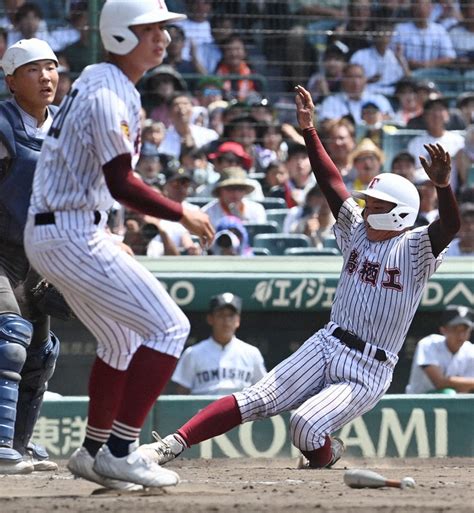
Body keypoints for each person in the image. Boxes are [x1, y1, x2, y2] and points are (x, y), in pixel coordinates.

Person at [137, 84, 460, 472]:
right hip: (328, 341)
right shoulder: (358, 230)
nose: (365, 208)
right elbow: (332, 184)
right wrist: (308, 131)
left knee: (305, 426)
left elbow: (450, 226)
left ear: (398, 213)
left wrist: (442, 187)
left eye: (375, 205)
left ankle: (324, 455)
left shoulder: (416, 249)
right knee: (256, 398)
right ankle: (171, 445)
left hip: (370, 367)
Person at [23, 0, 215, 490]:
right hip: (68, 230)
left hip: (64, 227)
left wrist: (104, 228)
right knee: (171, 327)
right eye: (151, 29)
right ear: (123, 34)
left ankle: (92, 452)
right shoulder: (109, 92)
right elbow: (122, 181)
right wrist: (182, 213)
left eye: (164, 30)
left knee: (121, 339)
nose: (163, 38)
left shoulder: (100, 79)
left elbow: (92, 175)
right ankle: (123, 449)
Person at [0, 38, 59, 474]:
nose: (45, 77)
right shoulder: (1, 124)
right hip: (1, 252)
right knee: (10, 343)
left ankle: (20, 442)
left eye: (51, 68)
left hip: (42, 256)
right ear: (11, 80)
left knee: (42, 353)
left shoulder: (64, 129)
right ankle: (1, 444)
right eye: (33, 69)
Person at [171, 293, 266, 394]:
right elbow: (181, 395)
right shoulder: (193, 353)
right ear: (210, 319)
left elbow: (262, 390)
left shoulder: (252, 353)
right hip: (203, 408)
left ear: (238, 320)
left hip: (240, 409)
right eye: (221, 315)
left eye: (231, 315)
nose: (226, 321)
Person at [405, 305, 474, 394]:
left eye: (464, 330)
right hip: (417, 403)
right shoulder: (429, 344)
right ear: (443, 330)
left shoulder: (470, 350)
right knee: (448, 393)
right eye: (455, 329)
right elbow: (439, 382)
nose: (460, 336)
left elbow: (467, 388)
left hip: (455, 404)